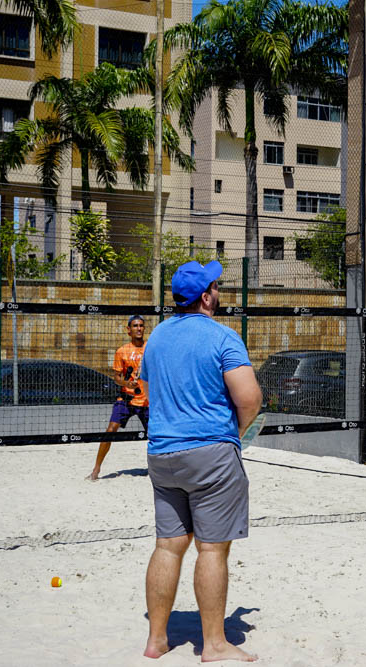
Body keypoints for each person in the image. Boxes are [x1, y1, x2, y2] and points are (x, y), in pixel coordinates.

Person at [138, 260, 261, 662]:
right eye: (217, 285)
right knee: (211, 550)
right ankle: (214, 644)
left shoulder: (155, 338)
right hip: (210, 452)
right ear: (206, 296)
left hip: (162, 453)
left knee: (168, 546)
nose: (220, 291)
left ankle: (157, 639)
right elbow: (250, 399)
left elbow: (149, 392)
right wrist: (234, 437)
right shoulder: (223, 337)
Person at [86, 315, 149, 481]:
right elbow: (117, 377)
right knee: (110, 430)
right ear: (129, 330)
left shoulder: (150, 349)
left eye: (141, 326)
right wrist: (127, 384)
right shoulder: (122, 351)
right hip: (126, 399)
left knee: (156, 437)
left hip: (146, 401)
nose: (139, 328)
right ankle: (96, 469)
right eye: (135, 326)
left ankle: (160, 471)